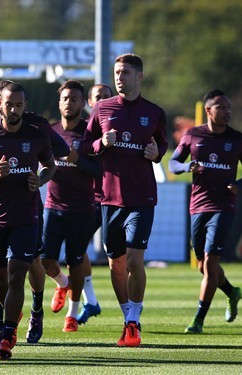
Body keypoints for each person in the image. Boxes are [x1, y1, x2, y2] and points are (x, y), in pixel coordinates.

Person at [0, 82, 56, 360]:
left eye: (18, 104)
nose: (13, 109)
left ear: (25, 106)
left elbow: (51, 165)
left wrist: (40, 179)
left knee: (17, 275)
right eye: (8, 104)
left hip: (26, 217)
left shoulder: (36, 135)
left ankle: (7, 335)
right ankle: (11, 321)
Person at [83, 53, 168, 347]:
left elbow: (162, 144)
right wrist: (100, 143)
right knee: (115, 265)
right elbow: (84, 146)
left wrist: (157, 153)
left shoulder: (154, 112)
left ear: (139, 76)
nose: (119, 77)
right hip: (110, 199)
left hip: (142, 197)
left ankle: (133, 323)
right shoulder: (102, 108)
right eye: (117, 72)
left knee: (134, 259)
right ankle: (127, 316)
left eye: (126, 72)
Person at [0, 80, 69, 345]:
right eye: (0, 100)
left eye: (12, 102)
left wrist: (40, 178)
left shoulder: (36, 126)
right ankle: (1, 323)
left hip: (28, 208)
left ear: (22, 103)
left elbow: (59, 153)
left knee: (30, 263)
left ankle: (36, 311)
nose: (4, 106)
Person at [169, 89, 242, 334]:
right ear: (209, 110)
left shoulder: (239, 140)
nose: (227, 112)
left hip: (224, 206)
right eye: (222, 108)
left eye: (229, 108)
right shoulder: (192, 135)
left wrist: (239, 184)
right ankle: (231, 291)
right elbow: (173, 164)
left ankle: (198, 320)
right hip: (198, 206)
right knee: (203, 266)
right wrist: (188, 166)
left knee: (210, 262)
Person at [41, 80, 102, 332]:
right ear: (59, 102)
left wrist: (77, 160)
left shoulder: (89, 134)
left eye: (74, 99)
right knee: (45, 259)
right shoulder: (50, 132)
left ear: (82, 104)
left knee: (75, 262)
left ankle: (73, 314)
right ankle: (62, 283)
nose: (69, 103)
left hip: (81, 209)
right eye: (65, 98)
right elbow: (42, 162)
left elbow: (100, 170)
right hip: (52, 206)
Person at [74, 83, 114, 325]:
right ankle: (90, 300)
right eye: (97, 97)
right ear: (89, 102)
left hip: (109, 198)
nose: (102, 101)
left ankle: (128, 312)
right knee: (77, 250)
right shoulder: (79, 129)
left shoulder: (116, 127)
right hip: (82, 199)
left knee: (118, 258)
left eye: (106, 97)